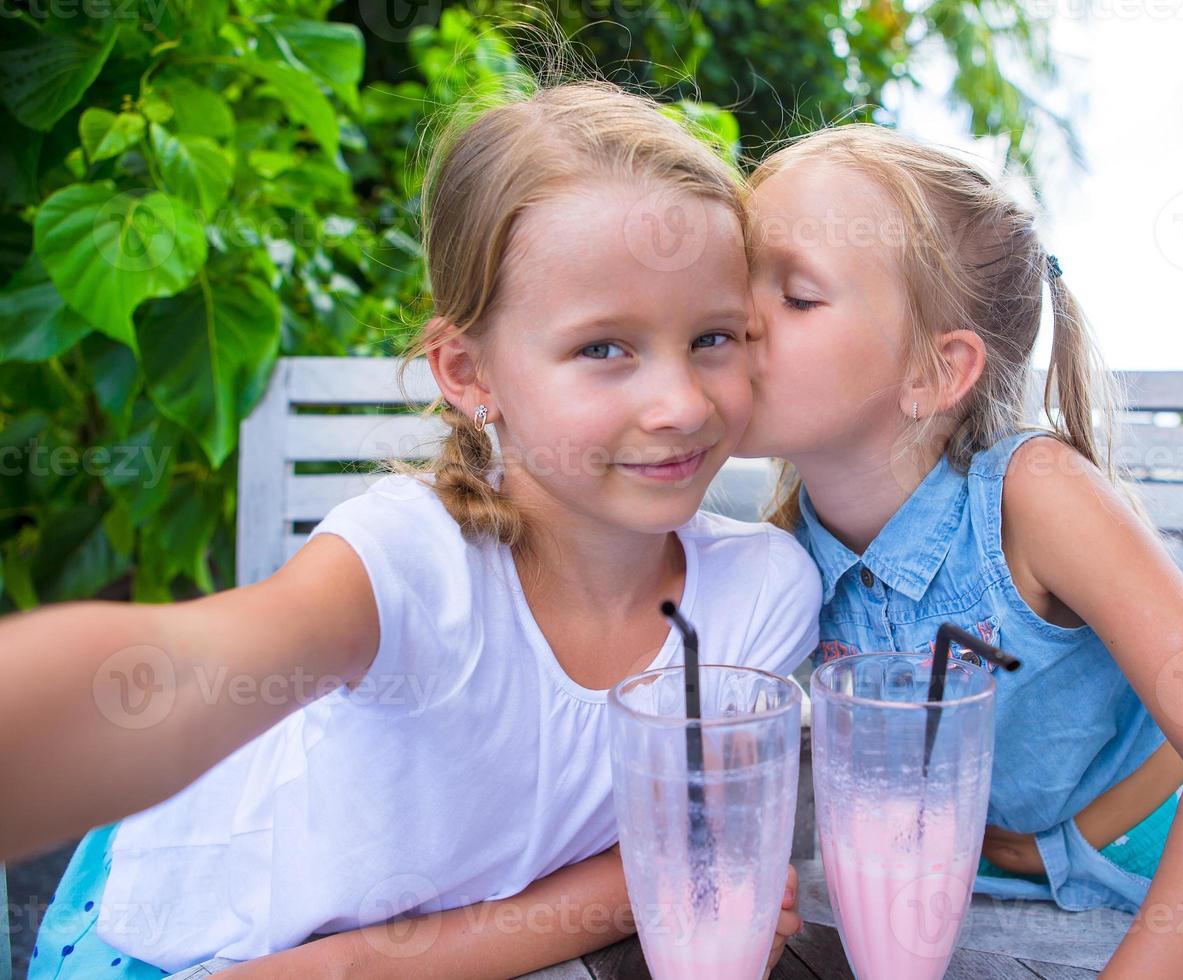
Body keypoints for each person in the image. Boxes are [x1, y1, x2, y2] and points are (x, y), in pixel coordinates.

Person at [5, 82, 814, 979]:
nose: (681, 405)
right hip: (169, 938)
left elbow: (659, 876)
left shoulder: (757, 596)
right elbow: (178, 672)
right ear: (468, 371)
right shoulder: (411, 564)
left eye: (714, 338)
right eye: (603, 348)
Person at [736, 123, 1183, 980]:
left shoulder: (1032, 496)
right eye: (735, 280)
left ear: (936, 373)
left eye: (795, 296)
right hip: (990, 893)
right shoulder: (781, 553)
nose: (737, 318)